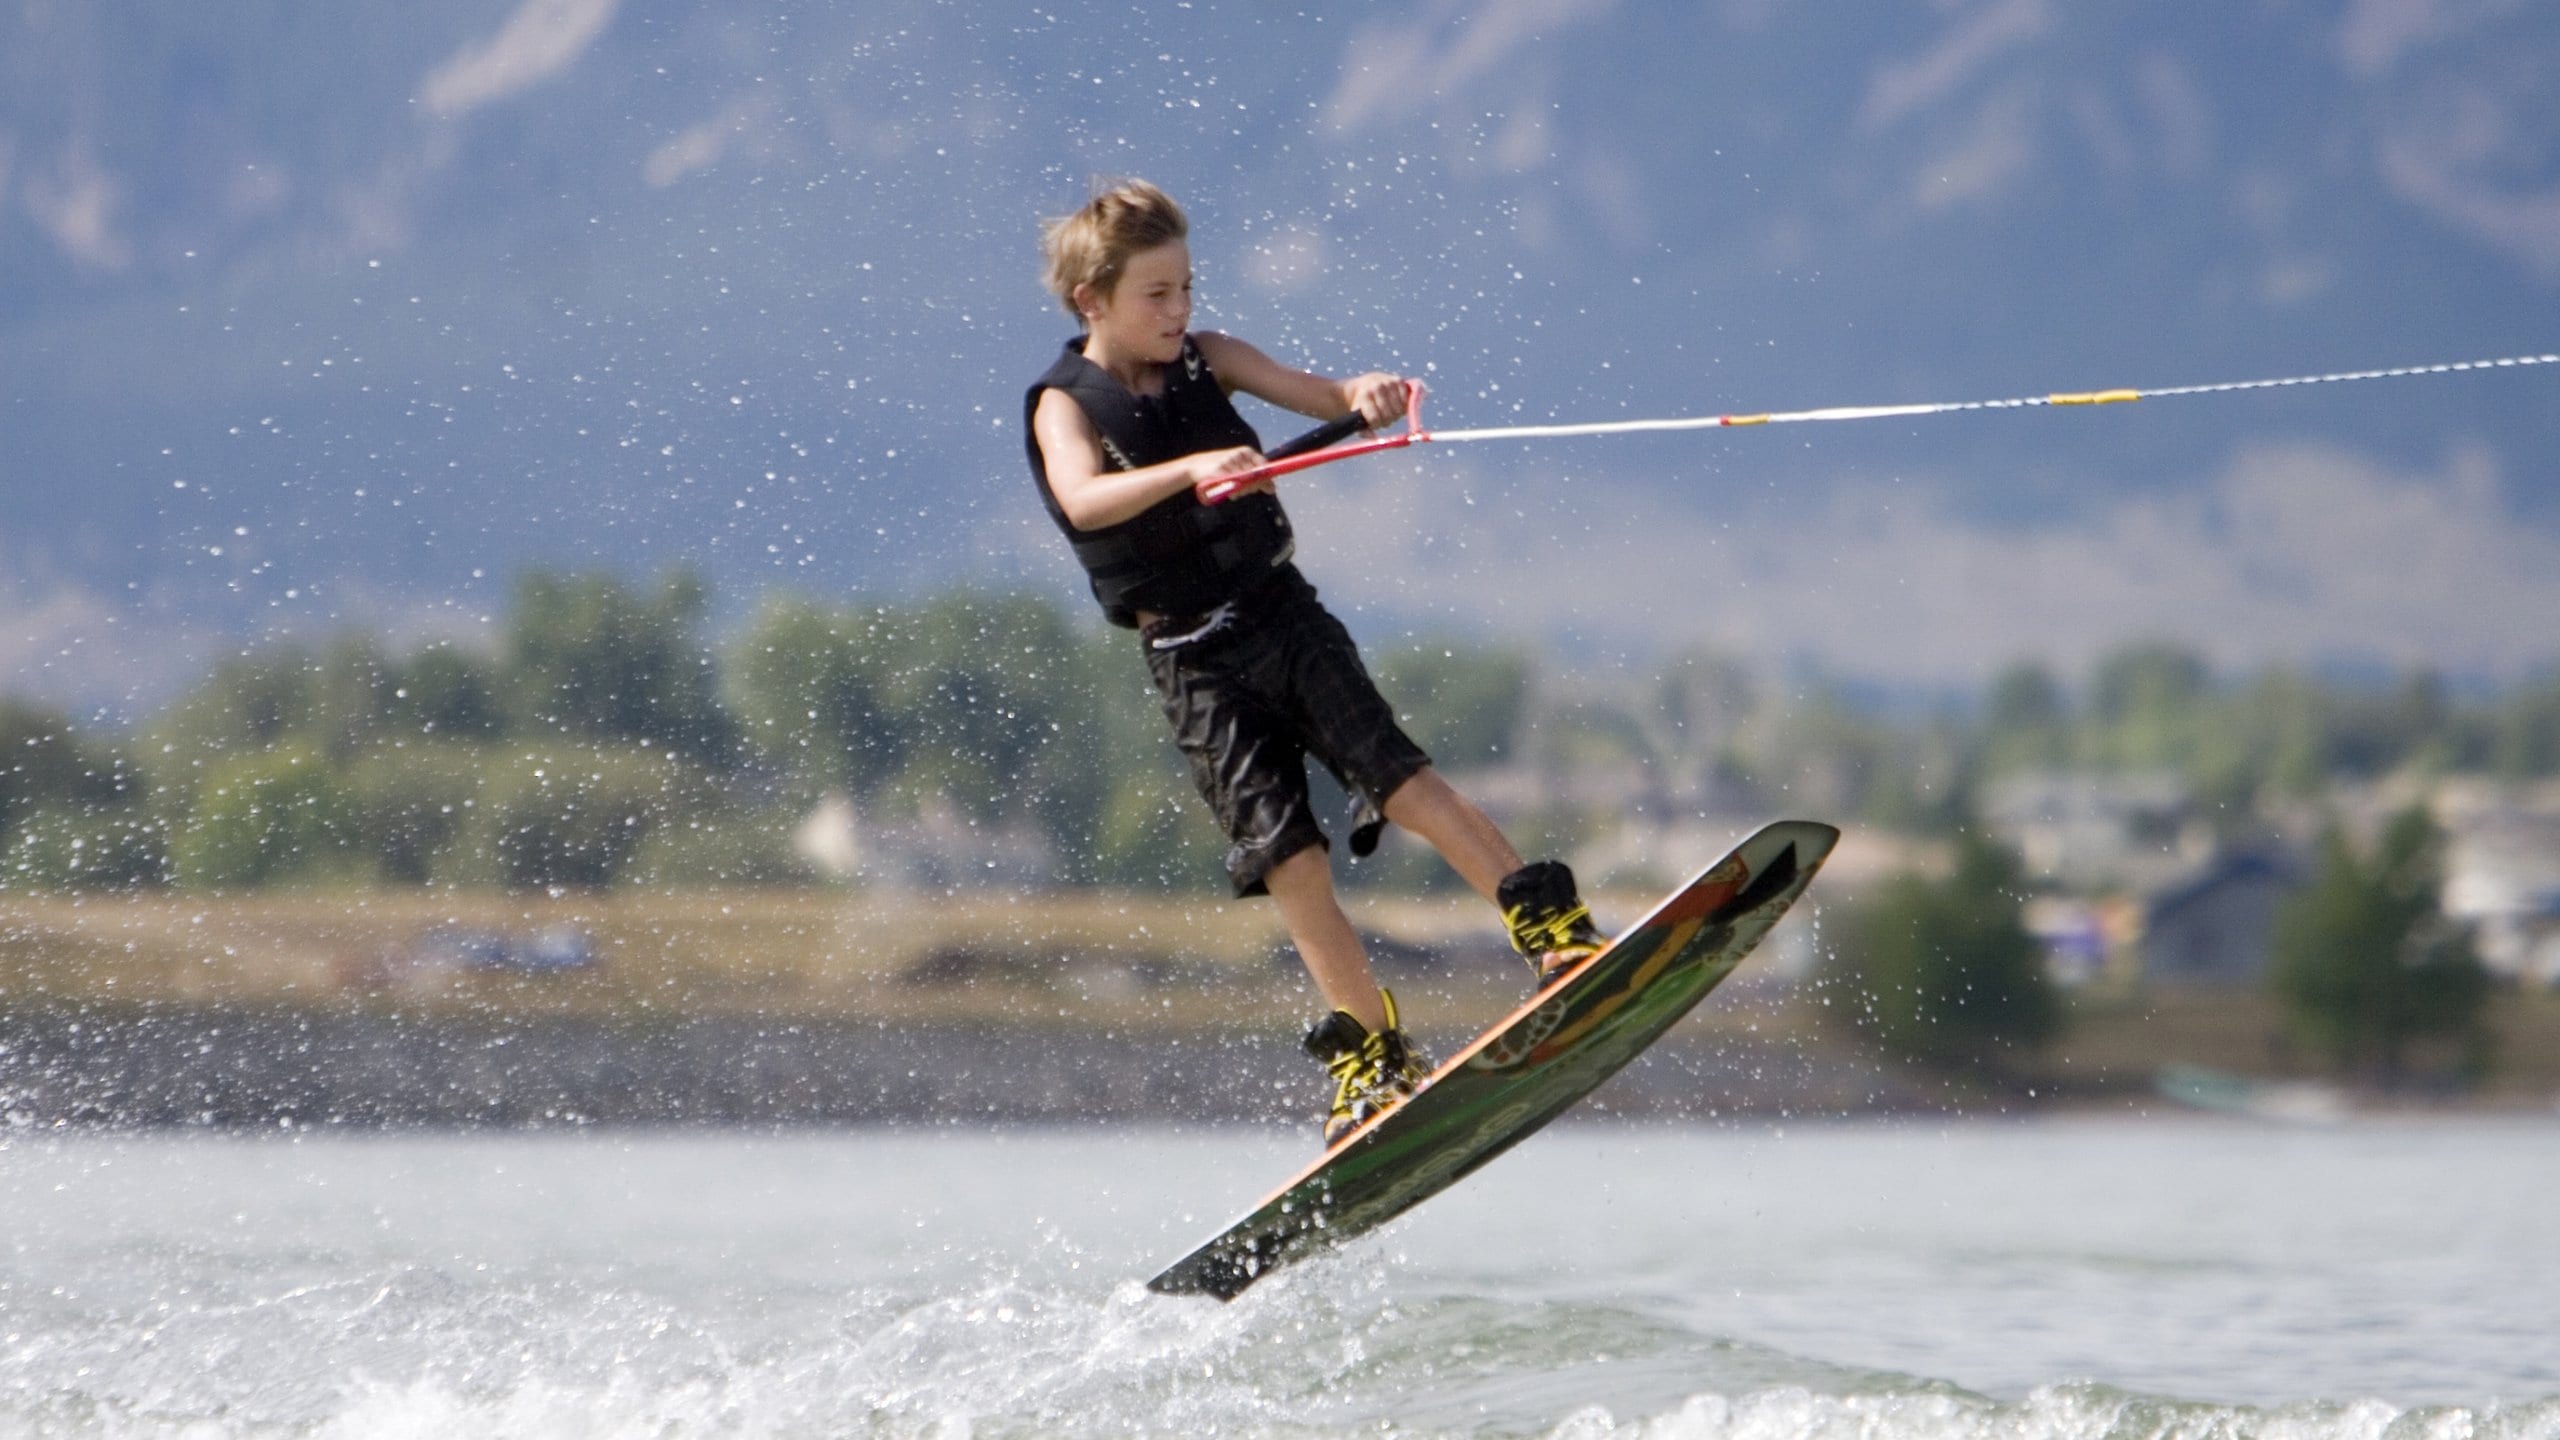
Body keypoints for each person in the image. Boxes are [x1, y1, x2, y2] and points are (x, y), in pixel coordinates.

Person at [1024, 179, 1606, 1143]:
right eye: (1155, 295)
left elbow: (1325, 396)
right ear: (1093, 300)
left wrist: (1367, 395)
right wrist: (1191, 469)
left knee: (1399, 778)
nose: (1179, 313)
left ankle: (1550, 931)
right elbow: (1083, 501)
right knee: (1288, 858)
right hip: (1187, 659)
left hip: (1278, 615)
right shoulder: (1062, 407)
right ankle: (1374, 1057)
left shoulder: (1214, 361)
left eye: (1186, 290)